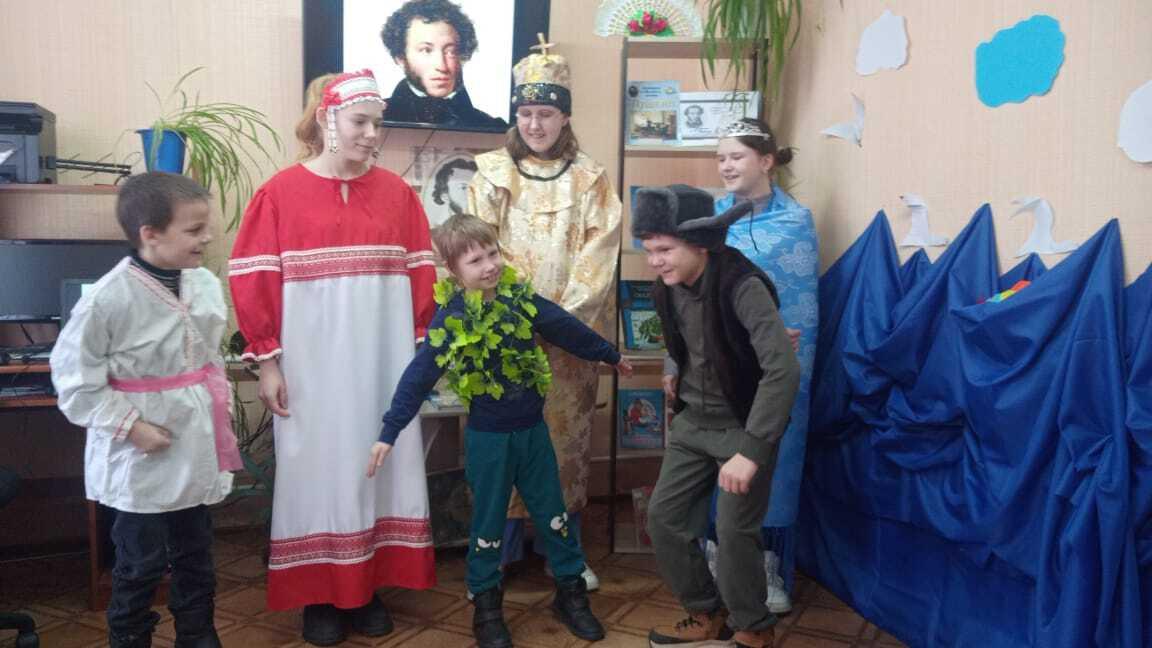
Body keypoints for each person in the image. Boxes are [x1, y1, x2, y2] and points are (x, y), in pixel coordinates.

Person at [228, 70, 437, 646]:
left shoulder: (398, 194)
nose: (372, 134)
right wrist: (269, 363)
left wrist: (419, 358)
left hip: (383, 364)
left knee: (382, 463)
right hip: (311, 368)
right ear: (327, 119)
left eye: (377, 123)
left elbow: (421, 277)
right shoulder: (279, 193)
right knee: (315, 470)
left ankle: (366, 587)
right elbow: (253, 279)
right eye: (360, 122)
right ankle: (320, 594)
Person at [367, 213, 632, 647]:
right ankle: (487, 608)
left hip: (533, 435)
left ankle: (570, 595)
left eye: (492, 254)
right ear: (453, 270)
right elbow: (419, 375)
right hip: (488, 440)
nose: (489, 266)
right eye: (475, 260)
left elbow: (564, 327)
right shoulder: (451, 317)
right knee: (487, 524)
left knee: (555, 518)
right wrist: (389, 431)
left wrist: (609, 354)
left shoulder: (520, 300)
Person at [50, 171, 241, 648]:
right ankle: (130, 637)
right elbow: (75, 384)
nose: (207, 237)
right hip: (141, 454)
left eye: (206, 227)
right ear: (150, 234)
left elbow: (207, 355)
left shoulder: (203, 285)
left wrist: (219, 413)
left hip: (193, 441)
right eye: (194, 230)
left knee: (196, 554)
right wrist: (132, 427)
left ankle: (197, 634)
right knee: (141, 563)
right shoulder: (107, 299)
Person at [468, 37, 621, 588]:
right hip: (504, 336)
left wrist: (562, 323)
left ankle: (564, 553)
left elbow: (599, 256)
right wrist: (512, 319)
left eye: (546, 114)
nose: (535, 124)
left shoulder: (592, 179)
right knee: (505, 442)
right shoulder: (491, 174)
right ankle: (502, 549)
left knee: (563, 446)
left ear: (565, 117)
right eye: (526, 113)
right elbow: (477, 249)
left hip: (568, 343)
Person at [634, 184, 800, 648]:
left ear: (701, 244)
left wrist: (752, 451)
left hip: (743, 426)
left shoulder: (743, 286)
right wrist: (673, 369)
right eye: (649, 250)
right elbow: (679, 340)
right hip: (693, 423)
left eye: (665, 250)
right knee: (664, 519)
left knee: (733, 529)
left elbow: (782, 370)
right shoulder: (666, 288)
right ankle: (705, 611)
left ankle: (753, 626)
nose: (655, 261)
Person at [708, 118, 817, 614]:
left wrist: (775, 346)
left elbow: (801, 304)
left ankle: (767, 563)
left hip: (775, 363)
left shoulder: (796, 222)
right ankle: (717, 553)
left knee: (776, 454)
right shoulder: (708, 218)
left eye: (737, 156)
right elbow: (687, 293)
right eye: (721, 158)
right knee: (718, 448)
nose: (726, 166)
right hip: (718, 360)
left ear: (766, 161)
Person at [379, 0, 507, 129]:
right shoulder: (376, 120)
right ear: (400, 57)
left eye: (451, 51)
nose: (441, 66)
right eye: (426, 50)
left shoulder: (492, 127)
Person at [424, 156, 477, 226]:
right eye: (463, 188)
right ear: (445, 196)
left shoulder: (478, 225)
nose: (471, 193)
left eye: (473, 188)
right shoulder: (439, 229)